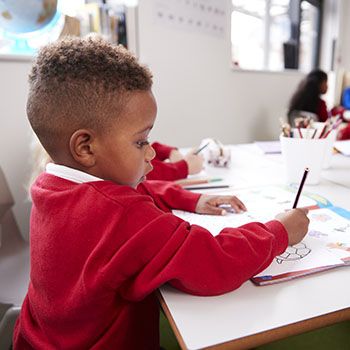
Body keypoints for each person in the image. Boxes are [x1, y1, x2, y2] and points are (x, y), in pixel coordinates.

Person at [14, 37, 309, 349]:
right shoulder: (122, 216)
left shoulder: (51, 186)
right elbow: (213, 262)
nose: (152, 153)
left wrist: (193, 199)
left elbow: (137, 190)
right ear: (86, 147)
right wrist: (279, 232)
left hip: (37, 338)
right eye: (141, 141)